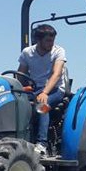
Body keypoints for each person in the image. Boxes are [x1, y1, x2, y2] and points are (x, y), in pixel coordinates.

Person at [17, 24, 67, 156]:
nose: (51, 43)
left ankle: (41, 144)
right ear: (38, 40)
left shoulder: (58, 51)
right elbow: (21, 74)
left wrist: (45, 92)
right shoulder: (27, 53)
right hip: (34, 89)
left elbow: (56, 74)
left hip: (54, 89)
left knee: (42, 105)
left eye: (52, 40)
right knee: (14, 103)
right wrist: (17, 90)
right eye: (48, 40)